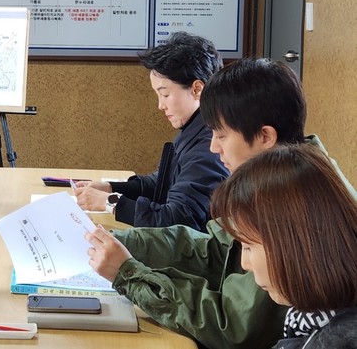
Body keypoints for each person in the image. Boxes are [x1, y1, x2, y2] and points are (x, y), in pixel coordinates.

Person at [85, 57, 357, 349]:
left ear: (265, 136)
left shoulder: (293, 202)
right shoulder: (282, 181)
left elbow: (234, 325)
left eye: (222, 135)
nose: (214, 147)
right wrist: (118, 242)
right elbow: (216, 250)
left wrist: (130, 275)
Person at [75, 32, 228, 231]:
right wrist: (111, 188)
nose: (160, 105)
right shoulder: (194, 127)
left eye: (165, 94)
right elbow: (161, 184)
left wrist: (111, 202)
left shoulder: (209, 144)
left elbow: (177, 220)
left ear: (197, 89)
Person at [210, 143, 357, 348]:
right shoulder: (314, 319)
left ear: (294, 242)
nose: (245, 264)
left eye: (248, 246)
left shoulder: (336, 341)